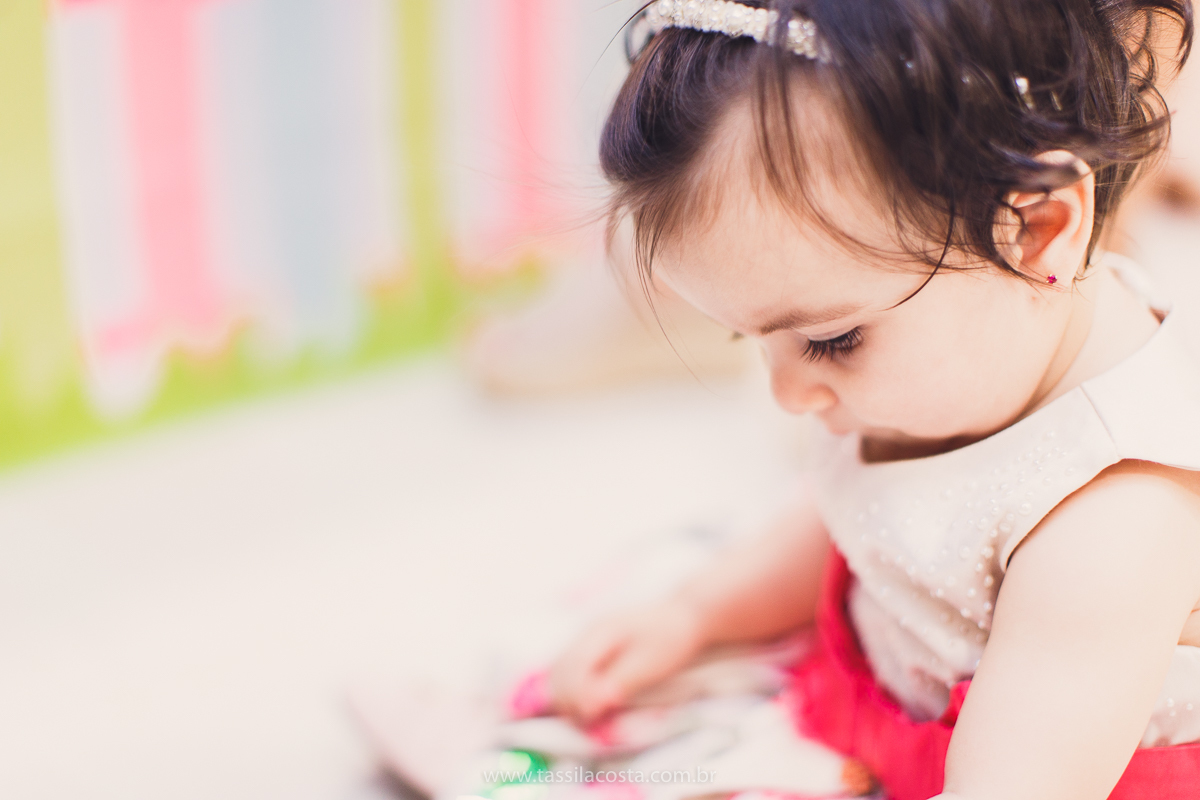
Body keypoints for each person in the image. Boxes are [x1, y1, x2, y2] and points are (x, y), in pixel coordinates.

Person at [547, 1, 1200, 798]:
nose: (786, 393)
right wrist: (697, 613)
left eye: (829, 339)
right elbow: (856, 514)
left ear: (1037, 231)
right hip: (881, 712)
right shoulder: (962, 353)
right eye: (748, 340)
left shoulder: (1115, 515)